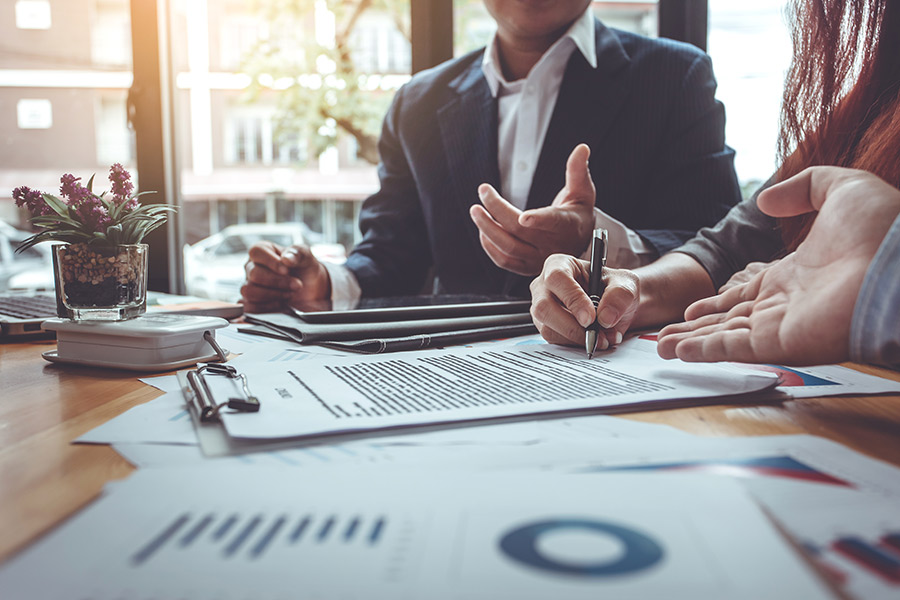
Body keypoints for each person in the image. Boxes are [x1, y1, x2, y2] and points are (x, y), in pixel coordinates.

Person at [240, 0, 741, 313]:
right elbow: (392, 252)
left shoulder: (674, 77)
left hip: (610, 364)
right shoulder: (419, 103)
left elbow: (721, 244)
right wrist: (325, 283)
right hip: (449, 373)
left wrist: (595, 241)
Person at [529, 0, 900, 363]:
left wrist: (885, 281)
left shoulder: (674, 70)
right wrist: (628, 289)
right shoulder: (871, 102)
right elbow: (726, 249)